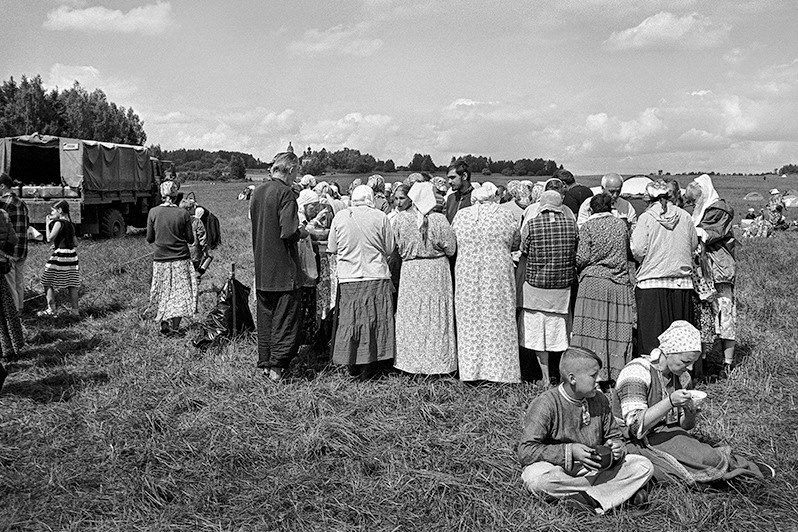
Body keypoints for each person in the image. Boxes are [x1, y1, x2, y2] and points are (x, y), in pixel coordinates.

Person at [612, 321, 774, 484]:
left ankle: (733, 470)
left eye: (692, 363)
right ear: (668, 352)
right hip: (632, 440)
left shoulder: (681, 377)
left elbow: (684, 426)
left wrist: (690, 414)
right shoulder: (636, 372)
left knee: (701, 456)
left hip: (665, 434)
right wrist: (670, 402)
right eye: (685, 362)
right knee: (693, 461)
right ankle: (737, 470)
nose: (689, 368)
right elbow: (634, 426)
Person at [518, 347, 654, 514]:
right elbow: (525, 451)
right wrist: (570, 451)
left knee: (643, 465)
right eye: (593, 375)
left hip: (594, 470)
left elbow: (615, 436)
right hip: (559, 470)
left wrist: (617, 448)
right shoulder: (545, 404)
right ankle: (616, 494)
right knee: (536, 480)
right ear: (572, 378)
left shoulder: (600, 400)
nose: (600, 379)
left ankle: (585, 500)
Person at [452, 182, 521, 383]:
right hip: (497, 274)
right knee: (499, 319)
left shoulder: (462, 216)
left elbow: (453, 240)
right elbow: (515, 242)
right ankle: (501, 372)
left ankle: (471, 371)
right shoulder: (505, 215)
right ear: (494, 197)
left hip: (468, 274)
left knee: (470, 320)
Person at [328, 185, 395, 380]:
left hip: (349, 276)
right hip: (376, 274)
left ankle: (352, 362)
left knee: (351, 320)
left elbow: (332, 247)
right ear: (371, 198)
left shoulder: (340, 216)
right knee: (375, 320)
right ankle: (372, 362)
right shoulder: (380, 217)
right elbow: (389, 248)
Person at [393, 182, 457, 375]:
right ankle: (438, 363)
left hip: (412, 270)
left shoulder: (400, 219)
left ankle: (410, 362)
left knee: (413, 315)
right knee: (435, 315)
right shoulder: (440, 220)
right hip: (436, 271)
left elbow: (395, 246)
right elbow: (451, 248)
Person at [571, 193, 635, 387]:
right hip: (618, 282)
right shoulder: (621, 225)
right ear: (611, 207)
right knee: (615, 329)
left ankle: (591, 375)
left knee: (592, 330)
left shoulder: (588, 227)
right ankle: (616, 374)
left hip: (593, 284)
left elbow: (582, 257)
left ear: (591, 209)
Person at [250, 151, 304, 382]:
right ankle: (277, 369)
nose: (297, 177)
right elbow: (289, 231)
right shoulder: (286, 194)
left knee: (266, 320)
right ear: (290, 170)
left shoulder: (258, 192)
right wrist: (304, 232)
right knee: (285, 319)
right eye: (297, 172)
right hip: (284, 268)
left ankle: (266, 363)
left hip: (262, 266)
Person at [631, 181, 697, 355]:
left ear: (648, 198)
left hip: (652, 283)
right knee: (680, 339)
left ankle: (654, 375)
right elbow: (693, 244)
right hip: (681, 284)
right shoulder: (684, 216)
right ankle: (681, 375)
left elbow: (638, 249)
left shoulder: (646, 218)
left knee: (653, 340)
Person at [519, 191, 578, 385]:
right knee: (559, 332)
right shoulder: (572, 225)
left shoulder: (532, 225)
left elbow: (524, 249)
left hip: (536, 287)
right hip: (562, 287)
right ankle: (560, 373)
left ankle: (545, 376)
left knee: (538, 334)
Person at [684, 174, 737, 378]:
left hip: (720, 269)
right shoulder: (703, 208)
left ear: (703, 194)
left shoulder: (719, 210)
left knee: (725, 313)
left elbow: (709, 233)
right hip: (704, 272)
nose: (693, 204)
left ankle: (727, 364)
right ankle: (705, 361)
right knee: (705, 316)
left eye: (694, 200)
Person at [146, 182, 196, 334]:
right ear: (175, 195)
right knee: (179, 293)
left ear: (162, 195)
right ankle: (175, 327)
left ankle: (163, 321)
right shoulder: (183, 214)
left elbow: (149, 238)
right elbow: (190, 239)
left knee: (163, 291)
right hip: (180, 258)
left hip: (161, 258)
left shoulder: (153, 212)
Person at [38, 200, 81, 317]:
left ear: (60, 211)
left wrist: (47, 224)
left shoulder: (58, 222)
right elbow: (75, 243)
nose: (51, 213)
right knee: (72, 283)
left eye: (52, 210)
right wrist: (62, 242)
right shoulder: (70, 224)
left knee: (47, 281)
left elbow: (49, 239)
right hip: (72, 255)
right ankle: (75, 311)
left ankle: (51, 309)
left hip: (60, 256)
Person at [0, 173, 28, 312]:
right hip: (23, 248)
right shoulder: (21, 202)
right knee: (19, 282)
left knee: (10, 284)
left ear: (2, 186)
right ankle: (21, 309)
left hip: (9, 250)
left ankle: (14, 314)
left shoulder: (4, 204)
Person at [0, 206, 23, 373]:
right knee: (6, 309)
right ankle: (13, 347)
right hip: (0, 264)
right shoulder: (3, 214)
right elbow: (14, 239)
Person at [180, 199, 208, 276]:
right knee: (195, 273)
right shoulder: (197, 221)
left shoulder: (178, 222)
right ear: (188, 209)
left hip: (181, 253)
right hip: (195, 252)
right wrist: (205, 250)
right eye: (193, 208)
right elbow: (202, 236)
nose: (194, 209)